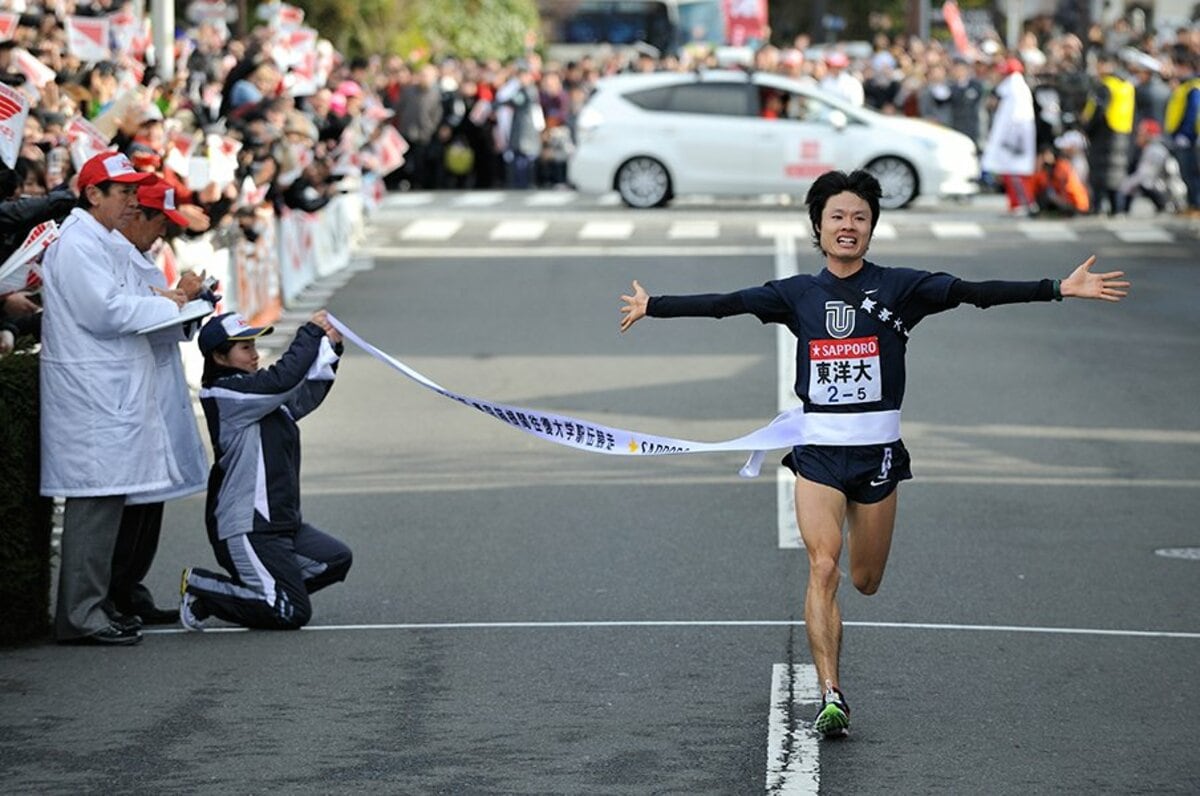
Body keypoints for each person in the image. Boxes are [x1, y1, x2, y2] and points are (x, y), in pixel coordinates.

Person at [617, 170, 1128, 738]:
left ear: (871, 228)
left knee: (865, 579)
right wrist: (653, 305)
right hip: (818, 453)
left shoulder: (901, 288)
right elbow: (725, 304)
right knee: (823, 564)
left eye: (859, 217)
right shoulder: (796, 294)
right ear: (818, 226)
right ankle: (831, 693)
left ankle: (837, 662)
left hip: (878, 456)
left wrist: (1056, 288)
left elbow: (974, 294)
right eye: (837, 216)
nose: (848, 226)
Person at [40, 151, 185, 646]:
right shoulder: (78, 244)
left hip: (111, 393)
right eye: (122, 192)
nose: (131, 201)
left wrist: (173, 306)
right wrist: (170, 305)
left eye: (131, 192)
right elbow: (104, 311)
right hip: (93, 397)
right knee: (94, 503)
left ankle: (94, 606)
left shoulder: (102, 243)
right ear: (92, 194)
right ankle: (81, 615)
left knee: (107, 501)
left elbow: (133, 302)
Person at [179, 310, 352, 631]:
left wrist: (330, 350)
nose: (255, 355)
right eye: (245, 348)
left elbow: (304, 393)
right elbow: (282, 380)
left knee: (334, 559)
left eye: (255, 346)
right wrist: (309, 334)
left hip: (282, 523)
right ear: (219, 355)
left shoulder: (261, 397)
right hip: (247, 526)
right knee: (292, 613)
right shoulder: (224, 393)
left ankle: (258, 594)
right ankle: (202, 587)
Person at [107, 178, 213, 625]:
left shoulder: (141, 259)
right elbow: (128, 318)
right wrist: (183, 297)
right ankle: (114, 592)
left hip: (156, 386)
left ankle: (131, 587)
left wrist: (193, 306)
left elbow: (159, 321)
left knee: (153, 499)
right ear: (136, 216)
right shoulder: (113, 259)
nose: (162, 234)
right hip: (131, 394)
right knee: (133, 502)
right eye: (159, 222)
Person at [980, 57, 1037, 214]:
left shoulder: (1015, 89)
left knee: (1017, 173)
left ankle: (1023, 204)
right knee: (1009, 173)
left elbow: (1017, 119)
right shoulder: (1012, 89)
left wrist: (1011, 140)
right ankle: (1015, 204)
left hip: (1014, 141)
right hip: (1010, 140)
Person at [1030, 144, 1091, 216]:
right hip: (1066, 201)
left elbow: (1064, 187)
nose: (1045, 158)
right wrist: (1038, 167)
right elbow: (1037, 186)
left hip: (1076, 203)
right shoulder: (1046, 171)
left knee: (1049, 196)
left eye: (1047, 154)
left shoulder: (1062, 166)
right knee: (1045, 195)